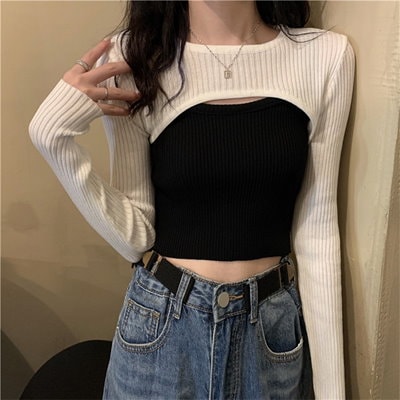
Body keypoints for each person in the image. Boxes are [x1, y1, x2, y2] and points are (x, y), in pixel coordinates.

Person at [29, 1, 355, 398]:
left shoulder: (324, 57)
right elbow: (135, 237)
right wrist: (51, 138)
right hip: (162, 332)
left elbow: (317, 232)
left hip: (271, 334)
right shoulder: (134, 56)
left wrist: (332, 391)